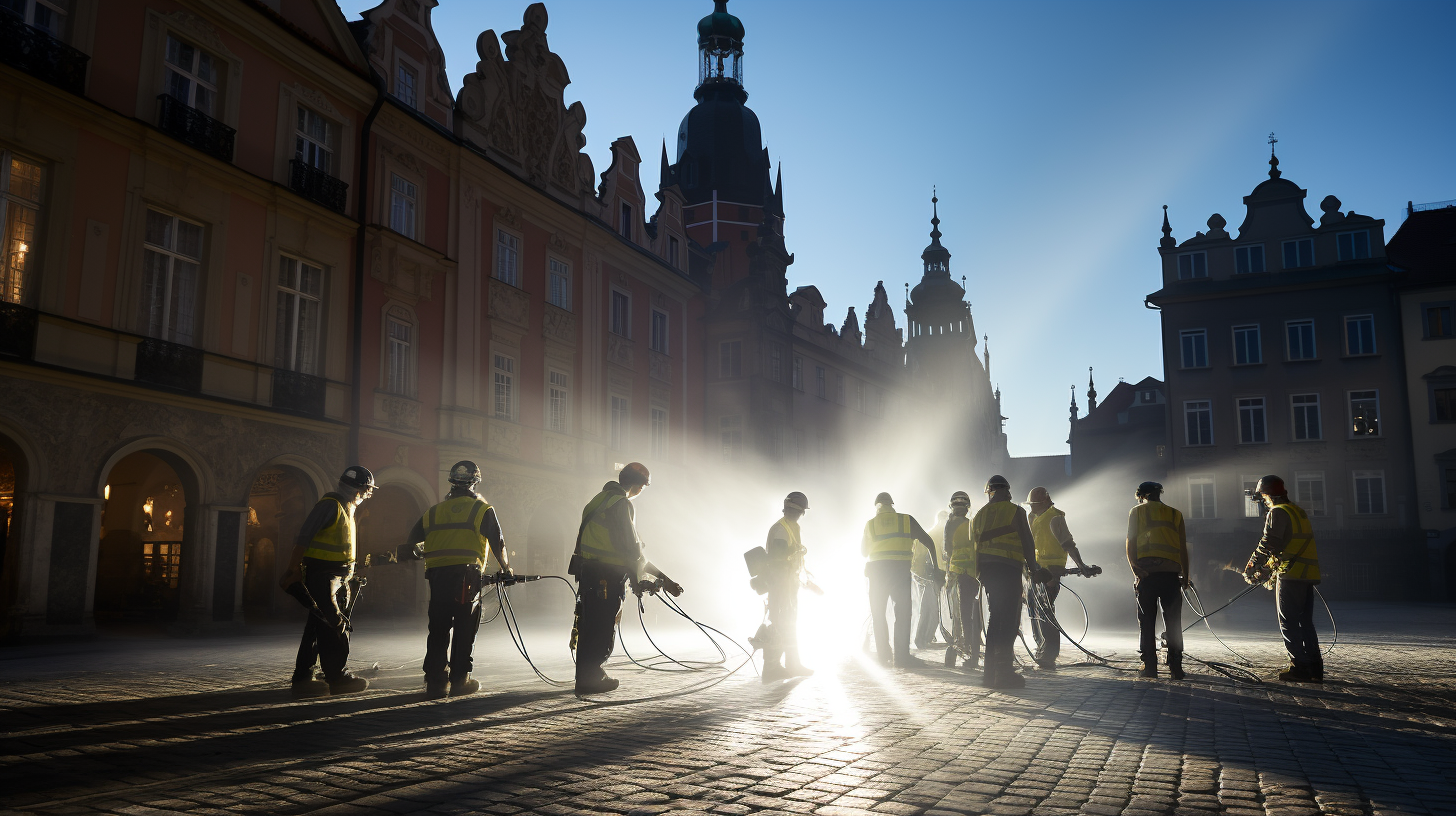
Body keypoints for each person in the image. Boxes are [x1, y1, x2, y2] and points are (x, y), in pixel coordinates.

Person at [399, 460, 511, 699]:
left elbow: (412, 544)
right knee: (464, 626)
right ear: (475, 483)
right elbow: (497, 541)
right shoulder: (482, 509)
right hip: (467, 577)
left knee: (438, 627)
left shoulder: (433, 511)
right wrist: (507, 569)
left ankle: (435, 681)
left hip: (438, 576)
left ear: (452, 484)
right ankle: (460, 679)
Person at [571, 463, 683, 695]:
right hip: (607, 577)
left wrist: (641, 576)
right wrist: (662, 580)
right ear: (638, 485)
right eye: (643, 486)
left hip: (589, 574)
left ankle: (585, 675)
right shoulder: (622, 504)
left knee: (589, 625)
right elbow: (633, 551)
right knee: (602, 626)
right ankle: (592, 677)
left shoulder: (597, 500)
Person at [279, 465, 375, 695]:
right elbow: (303, 537)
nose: (368, 495)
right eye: (368, 490)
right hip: (324, 576)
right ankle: (338, 678)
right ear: (359, 489)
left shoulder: (346, 507)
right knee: (335, 625)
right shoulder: (330, 505)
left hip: (337, 576)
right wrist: (293, 569)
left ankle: (302, 678)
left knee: (317, 625)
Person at [1242, 475, 1323, 683]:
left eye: (1262, 497)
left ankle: (1299, 668)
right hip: (1307, 574)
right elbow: (1289, 545)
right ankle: (1315, 667)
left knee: (1288, 622)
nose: (1263, 502)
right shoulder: (1298, 511)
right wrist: (1269, 568)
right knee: (1305, 622)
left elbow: (1270, 542)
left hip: (1291, 574)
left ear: (1266, 494)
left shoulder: (1277, 512)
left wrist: (1252, 566)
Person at [971, 475, 1048, 689]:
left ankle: (990, 674)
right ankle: (1003, 674)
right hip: (1008, 569)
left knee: (995, 619)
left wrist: (979, 573)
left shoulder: (979, 515)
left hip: (987, 572)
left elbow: (974, 546)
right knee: (1009, 621)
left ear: (989, 492)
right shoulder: (1016, 511)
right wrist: (1034, 569)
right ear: (1007, 491)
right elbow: (1026, 541)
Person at [861, 492, 941, 668]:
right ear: (892, 504)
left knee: (878, 614)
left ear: (877, 506)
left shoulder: (871, 524)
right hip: (900, 571)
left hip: (877, 573)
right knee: (903, 614)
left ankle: (883, 656)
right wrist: (936, 568)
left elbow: (864, 552)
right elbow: (928, 541)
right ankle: (901, 657)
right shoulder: (906, 520)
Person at [1025, 487, 1100, 671]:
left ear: (1043, 502)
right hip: (1034, 573)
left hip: (1050, 572)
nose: (1031, 508)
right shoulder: (1032, 518)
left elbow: (1067, 544)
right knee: (1035, 612)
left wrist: (1081, 566)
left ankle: (1049, 655)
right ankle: (1041, 649)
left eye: (1033, 505)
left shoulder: (1055, 517)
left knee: (1046, 612)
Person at [1126, 480, 1190, 680]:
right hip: (1171, 576)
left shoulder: (1137, 511)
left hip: (1148, 575)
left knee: (1146, 622)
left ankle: (1150, 667)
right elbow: (1182, 547)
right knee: (1174, 623)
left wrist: (1135, 569)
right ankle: (1176, 668)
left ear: (1141, 495)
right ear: (1159, 494)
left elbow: (1131, 541)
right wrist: (1185, 576)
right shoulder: (1175, 514)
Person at [761, 491, 814, 682]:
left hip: (789, 583)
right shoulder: (782, 529)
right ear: (800, 511)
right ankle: (772, 668)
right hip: (780, 585)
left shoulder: (792, 526)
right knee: (779, 625)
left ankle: (793, 663)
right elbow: (778, 558)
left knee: (789, 625)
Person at [943, 490, 981, 670]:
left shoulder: (950, 524)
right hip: (973, 574)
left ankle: (966, 650)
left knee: (959, 615)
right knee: (972, 613)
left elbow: (947, 549)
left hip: (957, 574)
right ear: (967, 507)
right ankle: (972, 648)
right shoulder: (972, 524)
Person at [913, 510, 947, 650]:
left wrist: (919, 575)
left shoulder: (928, 534)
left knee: (927, 608)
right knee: (933, 610)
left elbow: (917, 557)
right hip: (940, 575)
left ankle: (922, 638)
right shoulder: (945, 535)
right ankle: (925, 638)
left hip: (928, 576)